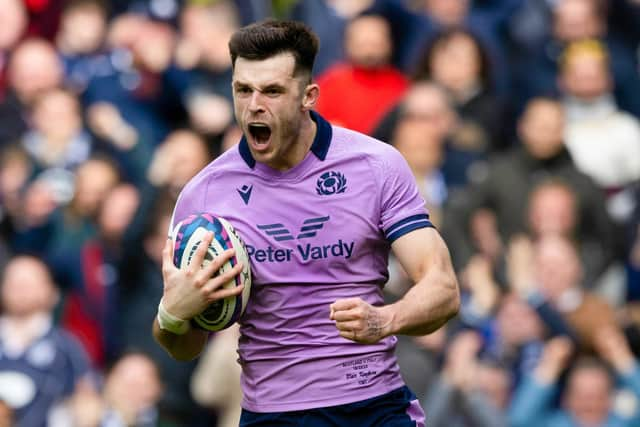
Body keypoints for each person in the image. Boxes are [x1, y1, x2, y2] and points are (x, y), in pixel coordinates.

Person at [153, 20, 459, 427]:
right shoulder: (204, 195)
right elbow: (183, 345)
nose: (253, 106)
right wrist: (172, 314)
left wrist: (386, 320)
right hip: (274, 415)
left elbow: (443, 289)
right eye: (243, 90)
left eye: (273, 91)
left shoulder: (376, 166)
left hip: (374, 407)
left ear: (308, 96)